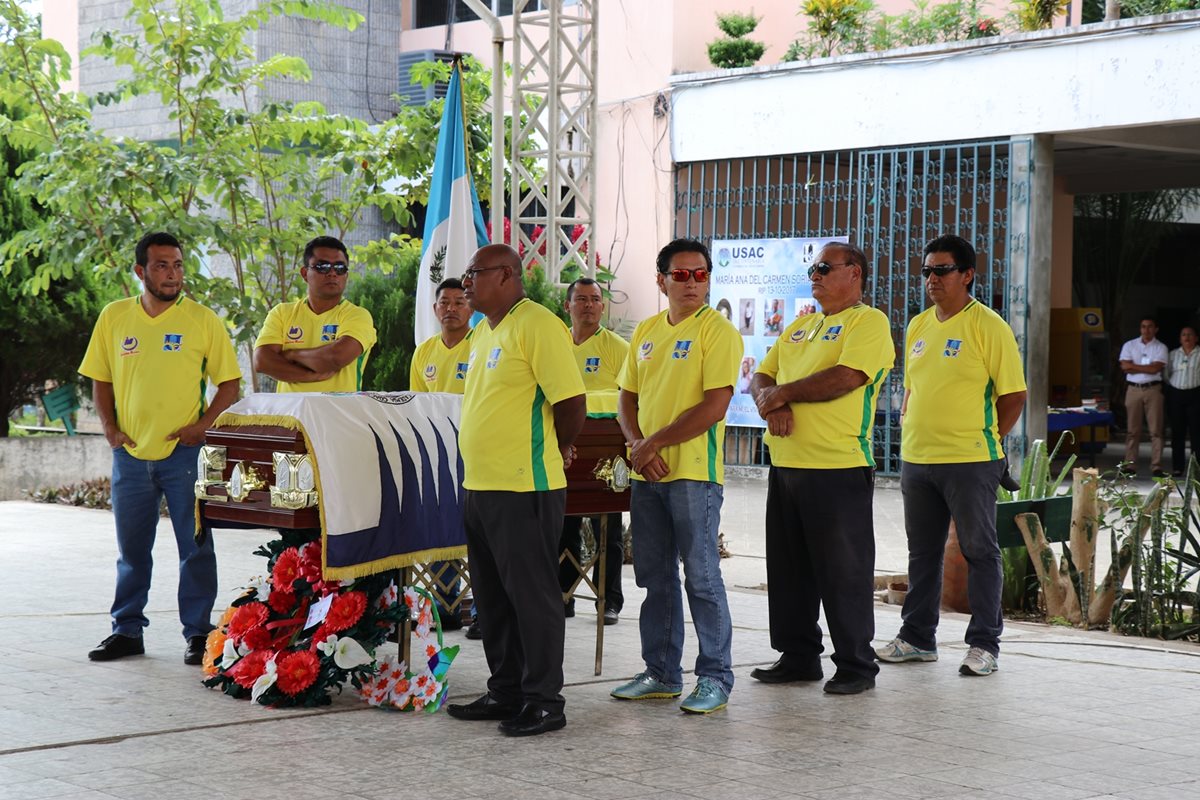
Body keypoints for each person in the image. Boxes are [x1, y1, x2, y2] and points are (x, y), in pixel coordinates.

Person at [81, 232, 241, 665]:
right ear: (140, 271)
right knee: (132, 551)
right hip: (129, 456)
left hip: (184, 455)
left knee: (195, 548)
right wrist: (110, 428)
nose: (172, 275)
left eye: (177, 266)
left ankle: (198, 634)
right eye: (161, 266)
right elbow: (101, 378)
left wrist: (202, 428)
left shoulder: (203, 320)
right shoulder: (114, 317)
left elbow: (230, 385)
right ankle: (127, 631)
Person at [446, 244, 585, 737]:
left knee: (533, 598)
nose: (465, 284)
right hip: (481, 486)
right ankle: (506, 691)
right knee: (493, 598)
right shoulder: (484, 331)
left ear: (506, 275)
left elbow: (571, 404)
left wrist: (556, 447)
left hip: (525, 486)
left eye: (473, 273)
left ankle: (545, 701)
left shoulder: (538, 323)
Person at [876, 234, 1026, 678]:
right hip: (918, 459)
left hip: (971, 459)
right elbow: (915, 386)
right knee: (922, 553)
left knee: (980, 550)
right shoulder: (919, 326)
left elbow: (1014, 395)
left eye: (941, 270)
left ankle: (984, 645)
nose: (931, 279)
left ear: (967, 275)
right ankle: (918, 638)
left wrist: (986, 440)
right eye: (926, 271)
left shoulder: (989, 326)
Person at [749, 243, 894, 695]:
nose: (814, 274)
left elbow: (847, 377)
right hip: (786, 464)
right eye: (812, 268)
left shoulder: (868, 322)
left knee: (843, 572)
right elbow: (761, 376)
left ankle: (855, 664)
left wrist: (784, 394)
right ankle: (798, 657)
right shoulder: (800, 325)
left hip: (837, 466)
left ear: (854, 273)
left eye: (824, 267)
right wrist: (771, 404)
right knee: (789, 569)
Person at [610, 238, 742, 714]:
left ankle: (715, 678)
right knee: (655, 577)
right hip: (648, 474)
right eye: (681, 275)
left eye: (701, 274)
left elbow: (715, 405)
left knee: (702, 577)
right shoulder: (646, 330)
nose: (692, 283)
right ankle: (662, 673)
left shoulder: (718, 331)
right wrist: (637, 447)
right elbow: (626, 396)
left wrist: (653, 444)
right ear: (661, 279)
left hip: (693, 475)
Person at [558, 277, 630, 626]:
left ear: (603, 307)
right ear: (567, 306)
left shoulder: (617, 348)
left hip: (606, 450)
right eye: (581, 299)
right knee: (563, 525)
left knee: (608, 529)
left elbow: (630, 399)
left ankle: (609, 600)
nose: (589, 305)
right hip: (562, 449)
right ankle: (564, 594)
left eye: (595, 300)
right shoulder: (555, 344)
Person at [409, 277, 473, 632]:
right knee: (442, 525)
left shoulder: (481, 345)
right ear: (434, 309)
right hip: (437, 453)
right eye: (444, 302)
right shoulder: (425, 351)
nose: (451, 308)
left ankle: (481, 610)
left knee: (480, 529)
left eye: (459, 301)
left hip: (479, 451)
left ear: (471, 307)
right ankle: (446, 604)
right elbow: (417, 404)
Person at [253, 236, 377, 392]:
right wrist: (309, 376)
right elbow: (262, 361)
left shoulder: (357, 315)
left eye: (340, 268)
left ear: (346, 275)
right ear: (305, 273)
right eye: (323, 266)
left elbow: (336, 358)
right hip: (290, 415)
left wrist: (291, 354)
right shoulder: (282, 313)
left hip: (338, 414)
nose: (332, 273)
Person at [1119, 317, 1169, 478]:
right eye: (1143, 327)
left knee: (1156, 430)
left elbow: (1156, 368)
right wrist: (1146, 368)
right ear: (1140, 328)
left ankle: (1156, 466)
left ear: (1156, 329)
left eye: (1149, 327)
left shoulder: (1161, 347)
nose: (1146, 330)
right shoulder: (1130, 345)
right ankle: (1130, 466)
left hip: (1153, 389)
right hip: (1133, 390)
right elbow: (1124, 367)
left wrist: (1134, 366)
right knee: (1132, 431)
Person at [1167, 325, 1200, 477]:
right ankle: (1178, 467)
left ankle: (1196, 469)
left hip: (1196, 394)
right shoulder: (1173, 354)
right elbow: (1166, 374)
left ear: (1196, 338)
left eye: (1190, 334)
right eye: (1183, 335)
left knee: (1196, 433)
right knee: (1177, 433)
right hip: (1177, 394)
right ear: (1180, 338)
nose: (1186, 337)